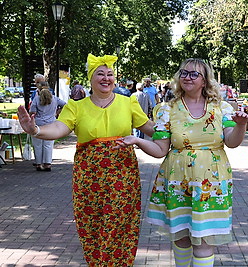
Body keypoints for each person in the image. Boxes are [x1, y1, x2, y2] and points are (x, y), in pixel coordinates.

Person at [17, 53, 155, 266]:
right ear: (91, 79)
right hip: (88, 177)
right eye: (100, 74)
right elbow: (59, 128)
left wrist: (179, 127)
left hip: (123, 177)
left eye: (110, 74)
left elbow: (151, 130)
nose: (106, 78)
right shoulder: (76, 106)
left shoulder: (129, 103)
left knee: (120, 225)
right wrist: (35, 130)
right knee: (90, 226)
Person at [114, 58, 248, 267]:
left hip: (210, 183)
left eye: (194, 74)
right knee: (181, 237)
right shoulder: (167, 110)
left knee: (204, 240)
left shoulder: (222, 107)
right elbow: (160, 150)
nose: (187, 77)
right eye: (184, 73)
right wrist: (137, 140)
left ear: (205, 81)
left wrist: (241, 126)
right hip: (177, 181)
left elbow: (232, 142)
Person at [29, 81, 66, 171]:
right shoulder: (54, 98)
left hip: (38, 124)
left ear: (39, 89)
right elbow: (65, 104)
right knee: (48, 144)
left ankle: (38, 163)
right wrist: (57, 112)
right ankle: (47, 163)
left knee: (37, 144)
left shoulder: (37, 99)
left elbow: (32, 111)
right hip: (51, 124)